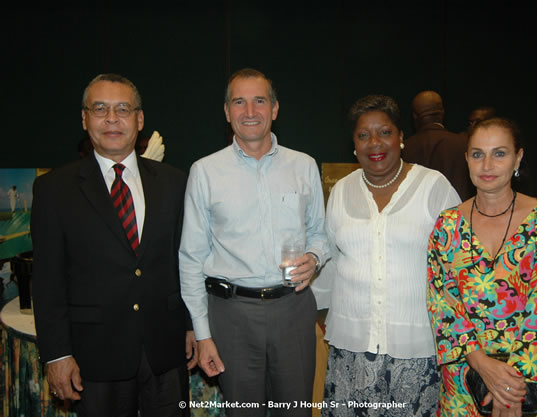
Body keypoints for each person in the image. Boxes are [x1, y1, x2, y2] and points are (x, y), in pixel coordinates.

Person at [31, 73, 197, 416]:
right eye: (100, 109)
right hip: (94, 358)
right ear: (84, 118)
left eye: (122, 109)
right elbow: (47, 281)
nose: (111, 119)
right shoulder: (54, 190)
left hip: (165, 352)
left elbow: (185, 263)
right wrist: (58, 355)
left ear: (139, 119)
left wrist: (192, 325)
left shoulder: (176, 183)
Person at [179, 68, 329, 417]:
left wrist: (315, 256)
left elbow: (320, 234)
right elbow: (190, 258)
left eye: (259, 101)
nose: (250, 112)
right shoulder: (204, 172)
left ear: (274, 109)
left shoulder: (303, 165)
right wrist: (202, 334)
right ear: (227, 112)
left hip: (293, 309)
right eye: (239, 102)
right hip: (230, 315)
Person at [312, 95, 460, 416]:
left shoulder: (434, 188)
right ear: (353, 144)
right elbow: (331, 260)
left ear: (402, 137)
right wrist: (318, 312)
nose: (374, 143)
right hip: (351, 351)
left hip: (418, 350)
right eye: (363, 135)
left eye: (385, 132)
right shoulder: (341, 191)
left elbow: (459, 268)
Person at [426, 117, 537, 417]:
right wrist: (482, 365)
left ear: (518, 157)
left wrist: (512, 388)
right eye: (478, 154)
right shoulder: (447, 225)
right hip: (466, 379)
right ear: (466, 158)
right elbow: (442, 304)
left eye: (500, 153)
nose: (487, 165)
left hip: (533, 383)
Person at [401, 90, 473, 200]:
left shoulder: (403, 148)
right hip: (460, 214)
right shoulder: (465, 143)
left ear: (415, 116)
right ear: (443, 112)